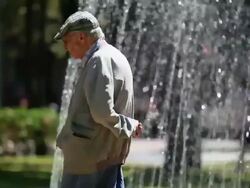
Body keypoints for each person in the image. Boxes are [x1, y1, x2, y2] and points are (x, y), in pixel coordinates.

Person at [54, 11, 143, 188]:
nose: (66, 47)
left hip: (89, 161)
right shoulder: (114, 56)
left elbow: (102, 112)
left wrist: (129, 126)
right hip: (101, 158)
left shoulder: (100, 60)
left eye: (67, 41)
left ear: (81, 37)